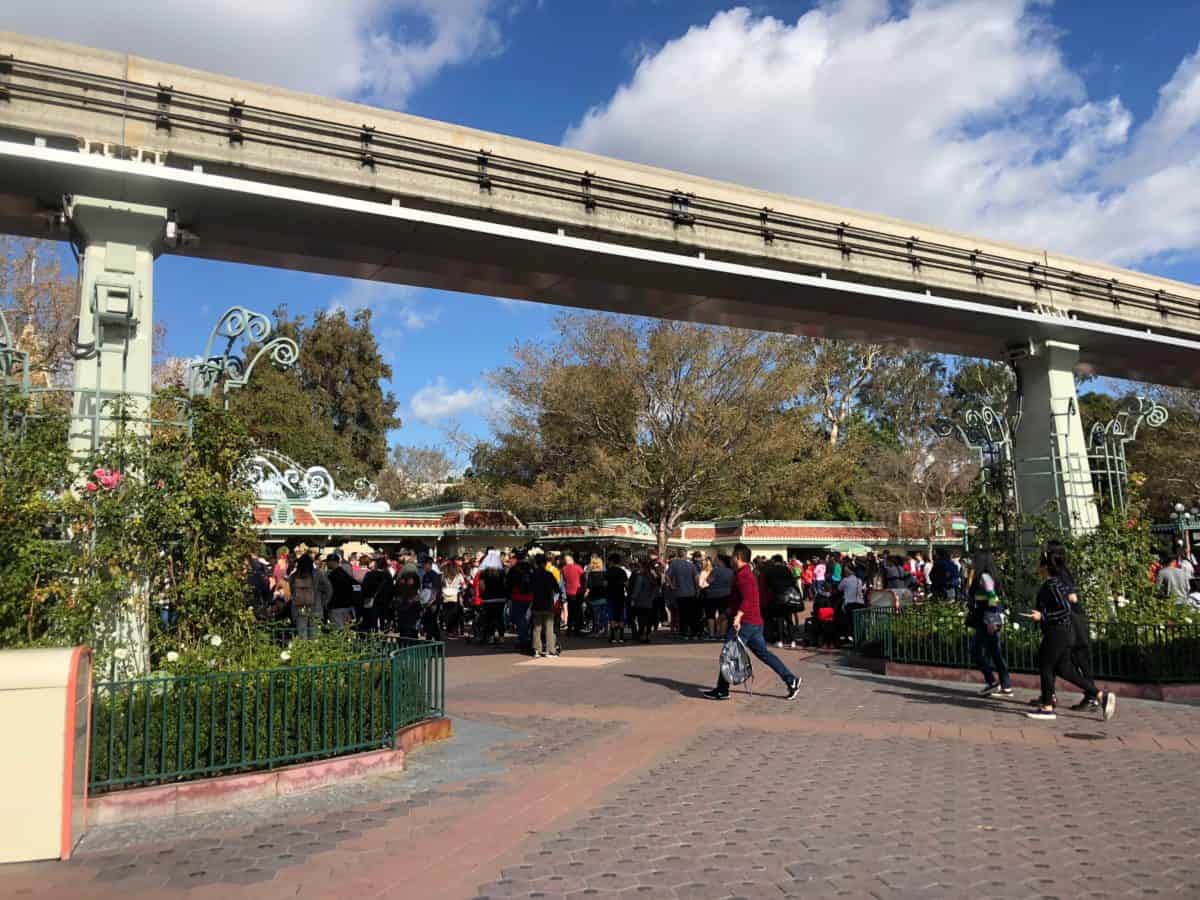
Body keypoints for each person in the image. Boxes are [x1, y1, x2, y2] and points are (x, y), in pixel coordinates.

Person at [1026, 542, 1116, 722]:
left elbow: (1065, 609)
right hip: (1064, 631)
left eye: (1039, 563)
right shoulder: (1057, 583)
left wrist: (1042, 616)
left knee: (1046, 666)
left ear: (1045, 566)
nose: (1036, 567)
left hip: (1057, 631)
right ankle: (1100, 695)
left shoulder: (1052, 585)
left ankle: (1047, 707)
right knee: (1064, 669)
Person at [704, 543, 801, 701]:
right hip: (753, 622)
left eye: (733, 555)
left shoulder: (744, 575)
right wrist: (726, 614)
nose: (731, 559)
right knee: (763, 654)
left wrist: (738, 616)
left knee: (728, 652)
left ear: (738, 557)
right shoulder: (743, 573)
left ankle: (722, 689)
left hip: (746, 623)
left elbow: (748, 598)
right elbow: (739, 600)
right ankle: (791, 680)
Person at [966, 552, 1011, 697]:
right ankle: (1005, 685)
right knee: (995, 652)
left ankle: (992, 682)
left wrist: (990, 621)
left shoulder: (984, 577)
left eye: (974, 560)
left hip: (987, 620)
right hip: (988, 619)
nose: (972, 562)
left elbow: (992, 598)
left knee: (975, 651)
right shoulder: (986, 576)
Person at [289, 552, 330, 639]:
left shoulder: (294, 576)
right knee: (315, 636)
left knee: (302, 635)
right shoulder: (318, 574)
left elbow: (292, 592)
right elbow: (328, 589)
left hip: (299, 609)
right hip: (316, 608)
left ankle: (303, 648)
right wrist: (323, 602)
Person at [529, 554, 560, 657]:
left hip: (536, 603)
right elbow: (557, 589)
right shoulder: (549, 575)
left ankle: (536, 650)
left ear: (536, 563)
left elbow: (528, 589)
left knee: (537, 628)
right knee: (549, 628)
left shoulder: (533, 575)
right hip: (548, 604)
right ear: (545, 563)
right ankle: (550, 650)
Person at [667, 549, 700, 640]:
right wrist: (697, 589)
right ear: (685, 555)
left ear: (678, 555)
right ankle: (694, 632)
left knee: (682, 613)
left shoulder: (674, 564)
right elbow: (696, 578)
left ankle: (684, 632)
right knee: (692, 613)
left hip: (680, 592)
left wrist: (672, 585)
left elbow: (667, 575)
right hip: (691, 592)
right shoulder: (691, 565)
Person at [477, 549, 508, 646]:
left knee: (489, 617)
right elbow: (505, 584)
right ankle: (501, 637)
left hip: (488, 598)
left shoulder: (484, 572)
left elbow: (482, 586)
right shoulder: (502, 572)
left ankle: (491, 636)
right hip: (500, 598)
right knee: (499, 617)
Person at [506, 550, 535, 652]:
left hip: (517, 596)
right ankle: (528, 638)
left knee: (520, 619)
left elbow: (508, 583)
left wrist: (508, 595)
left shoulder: (514, 569)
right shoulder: (531, 569)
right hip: (530, 597)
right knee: (528, 619)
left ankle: (523, 640)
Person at [325, 552, 358, 630]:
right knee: (346, 629)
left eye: (327, 562)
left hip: (335, 607)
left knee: (338, 630)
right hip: (347, 607)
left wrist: (326, 603)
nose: (326, 564)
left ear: (332, 562)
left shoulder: (331, 576)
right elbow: (355, 588)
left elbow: (329, 591)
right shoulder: (346, 575)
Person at [361, 555, 394, 632]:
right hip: (385, 602)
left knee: (373, 621)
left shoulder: (370, 574)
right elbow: (391, 589)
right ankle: (382, 632)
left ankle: (374, 634)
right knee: (383, 620)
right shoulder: (388, 575)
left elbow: (364, 588)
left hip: (373, 601)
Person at [629, 557, 658, 643]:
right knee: (648, 619)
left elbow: (637, 590)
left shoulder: (640, 577)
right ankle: (647, 635)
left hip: (640, 601)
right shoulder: (652, 576)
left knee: (641, 619)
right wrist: (652, 597)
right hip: (649, 601)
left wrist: (633, 598)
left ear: (642, 567)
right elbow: (656, 588)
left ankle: (642, 635)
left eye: (640, 567)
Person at [605, 552, 629, 644]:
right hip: (620, 595)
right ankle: (621, 637)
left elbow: (605, 584)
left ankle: (612, 637)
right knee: (621, 616)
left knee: (611, 616)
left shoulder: (608, 572)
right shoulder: (622, 572)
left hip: (610, 596)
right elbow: (627, 584)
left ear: (611, 561)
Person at [562, 554, 585, 636]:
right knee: (578, 611)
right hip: (578, 592)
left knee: (571, 611)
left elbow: (564, 580)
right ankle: (577, 630)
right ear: (572, 560)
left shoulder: (564, 569)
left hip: (569, 592)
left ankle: (569, 629)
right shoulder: (578, 567)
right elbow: (583, 578)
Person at [585, 555, 608, 636]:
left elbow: (589, 586)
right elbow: (606, 585)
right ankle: (605, 631)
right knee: (604, 615)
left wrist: (586, 594)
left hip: (594, 597)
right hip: (604, 596)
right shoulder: (605, 573)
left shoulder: (591, 574)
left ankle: (596, 631)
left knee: (595, 616)